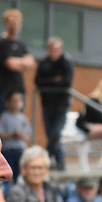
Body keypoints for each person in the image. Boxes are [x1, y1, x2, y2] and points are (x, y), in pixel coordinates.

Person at [7, 145, 78, 202]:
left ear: (47, 169)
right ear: (23, 169)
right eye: (33, 168)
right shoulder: (16, 193)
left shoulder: (52, 189)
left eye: (40, 168)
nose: (37, 172)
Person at [34, 37, 74, 171]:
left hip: (61, 105)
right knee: (50, 133)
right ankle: (58, 161)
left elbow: (66, 81)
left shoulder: (66, 63)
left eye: (57, 49)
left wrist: (49, 81)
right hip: (47, 104)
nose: (54, 52)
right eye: (52, 49)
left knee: (55, 134)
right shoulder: (44, 63)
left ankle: (46, 157)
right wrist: (55, 80)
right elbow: (38, 81)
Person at [0, 8, 37, 114]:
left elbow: (32, 63)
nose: (15, 25)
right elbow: (10, 64)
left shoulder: (20, 43)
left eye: (17, 23)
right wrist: (23, 63)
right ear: (6, 24)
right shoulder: (1, 43)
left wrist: (18, 63)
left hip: (19, 89)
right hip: (5, 91)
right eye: (12, 23)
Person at [0, 90, 33, 179]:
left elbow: (28, 137)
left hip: (21, 151)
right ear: (8, 103)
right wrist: (12, 135)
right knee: (9, 171)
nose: (16, 103)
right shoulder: (4, 117)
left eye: (19, 101)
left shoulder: (24, 119)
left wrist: (22, 136)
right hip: (8, 150)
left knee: (20, 173)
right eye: (14, 101)